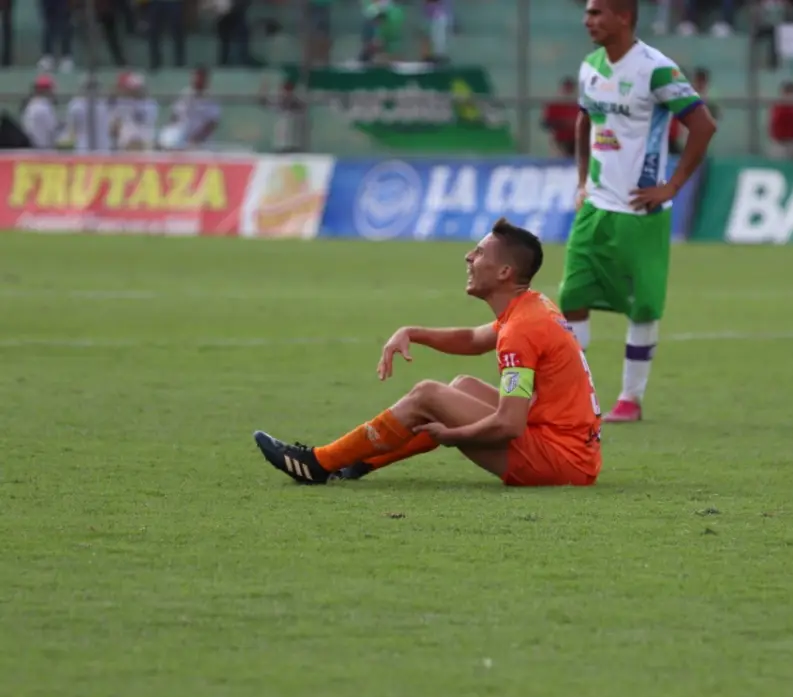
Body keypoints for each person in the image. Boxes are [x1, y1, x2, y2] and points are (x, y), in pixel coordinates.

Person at [254, 219, 603, 488]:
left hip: (561, 463)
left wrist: (453, 436)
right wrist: (412, 332)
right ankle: (360, 462)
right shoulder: (532, 307)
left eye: (479, 253)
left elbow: (509, 425)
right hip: (574, 453)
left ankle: (318, 463)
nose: (469, 256)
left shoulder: (521, 329)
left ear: (504, 272)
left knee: (429, 394)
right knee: (461, 386)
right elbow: (472, 338)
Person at [564, 0, 718, 423]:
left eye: (597, 12)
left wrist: (671, 186)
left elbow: (703, 125)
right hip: (595, 207)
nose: (588, 20)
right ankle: (575, 396)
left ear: (624, 17)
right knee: (572, 299)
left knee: (643, 307)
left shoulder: (657, 69)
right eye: (587, 12)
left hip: (639, 212)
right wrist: (581, 181)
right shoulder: (590, 66)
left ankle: (630, 399)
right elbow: (584, 121)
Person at [543, 77, 581, 157]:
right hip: (560, 140)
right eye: (566, 89)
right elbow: (546, 123)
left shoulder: (579, 105)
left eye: (570, 89)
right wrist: (564, 123)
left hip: (577, 140)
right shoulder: (554, 104)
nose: (568, 92)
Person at [20, 74, 59, 150]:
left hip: (30, 149)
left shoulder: (30, 106)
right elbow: (53, 130)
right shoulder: (45, 107)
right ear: (45, 90)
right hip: (44, 150)